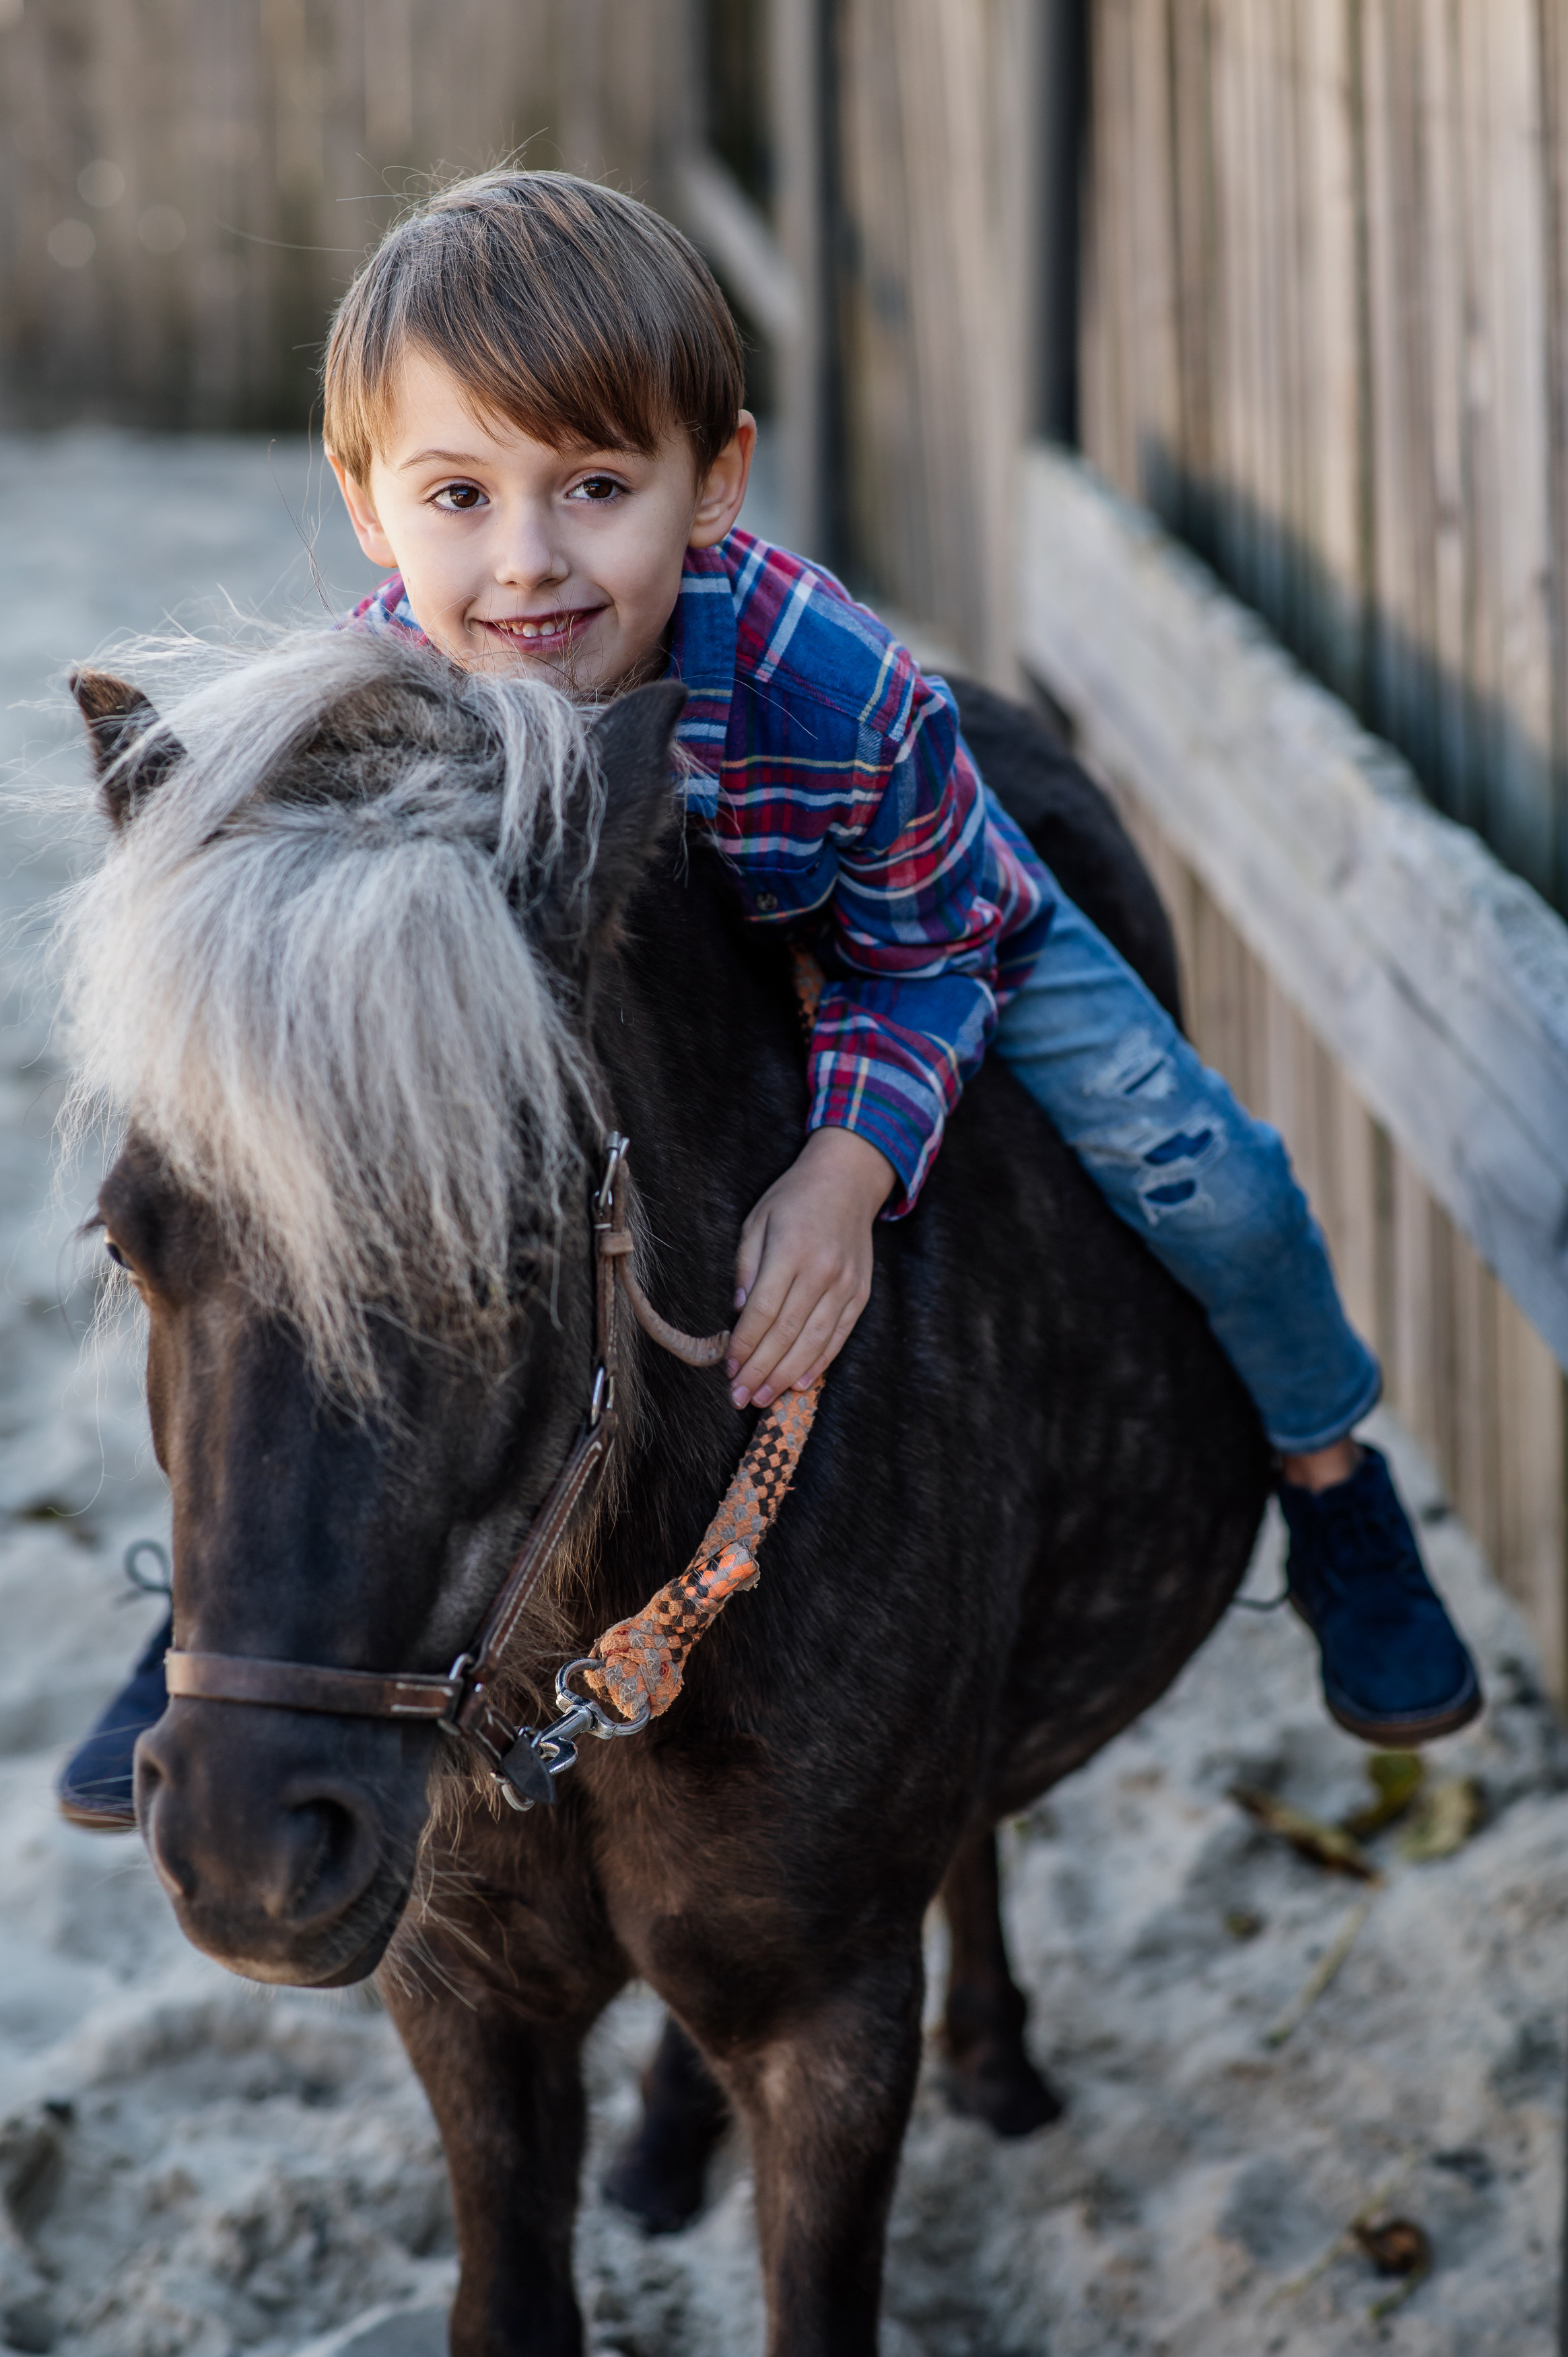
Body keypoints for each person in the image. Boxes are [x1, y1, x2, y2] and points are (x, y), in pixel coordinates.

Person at [57, 170, 1478, 1830]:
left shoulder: (828, 683)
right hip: (604, 962)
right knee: (294, 1233)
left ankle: (1330, 1480)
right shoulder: (379, 713)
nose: (524, 564)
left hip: (905, 924)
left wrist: (845, 1172)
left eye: (594, 486)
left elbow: (930, 953)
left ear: (714, 480)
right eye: (457, 494)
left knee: (1211, 1180)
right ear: (367, 505)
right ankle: (224, 1605)